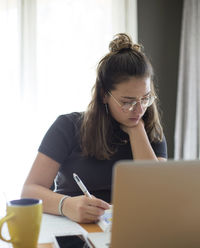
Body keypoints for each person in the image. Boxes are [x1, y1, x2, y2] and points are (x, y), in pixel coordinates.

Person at [21, 33, 167, 223]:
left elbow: (157, 194)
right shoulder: (67, 127)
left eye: (145, 98)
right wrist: (65, 205)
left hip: (132, 227)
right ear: (103, 95)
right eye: (128, 101)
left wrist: (136, 130)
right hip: (73, 226)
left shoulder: (151, 131)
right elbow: (29, 190)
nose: (139, 109)